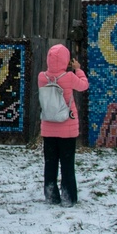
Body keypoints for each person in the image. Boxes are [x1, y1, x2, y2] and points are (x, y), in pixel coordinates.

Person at [38, 43, 89, 206]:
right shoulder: (68, 77)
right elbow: (83, 85)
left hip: (48, 126)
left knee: (50, 163)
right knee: (67, 164)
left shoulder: (42, 77)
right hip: (67, 127)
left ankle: (51, 195)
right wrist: (78, 69)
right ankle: (68, 197)